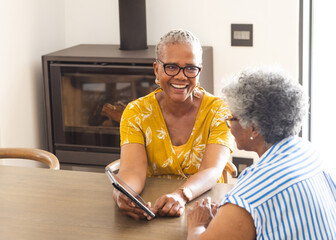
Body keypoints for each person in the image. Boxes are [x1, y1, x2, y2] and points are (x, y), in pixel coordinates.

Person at [187, 68, 336, 239]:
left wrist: (197, 225)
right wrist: (230, 212)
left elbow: (256, 197)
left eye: (232, 118)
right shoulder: (309, 153)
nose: (229, 125)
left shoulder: (250, 194)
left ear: (254, 128)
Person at [113, 29, 234, 220]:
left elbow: (212, 170)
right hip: (155, 207)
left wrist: (181, 195)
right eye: (171, 67)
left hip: (207, 208)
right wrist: (123, 193)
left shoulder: (219, 111)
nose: (181, 76)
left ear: (199, 71)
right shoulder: (136, 112)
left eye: (190, 68)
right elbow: (132, 170)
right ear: (156, 69)